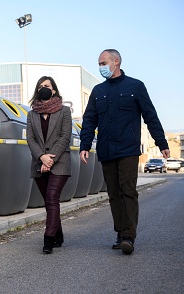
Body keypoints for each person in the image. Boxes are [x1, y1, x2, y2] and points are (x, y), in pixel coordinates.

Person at [79, 49, 169, 255]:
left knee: (128, 190)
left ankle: (129, 236)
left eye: (103, 63)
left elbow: (150, 115)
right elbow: (89, 120)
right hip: (106, 150)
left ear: (116, 61)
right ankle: (120, 233)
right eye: (99, 64)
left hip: (128, 149)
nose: (101, 67)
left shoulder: (135, 86)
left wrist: (162, 142)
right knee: (113, 194)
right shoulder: (98, 91)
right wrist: (85, 145)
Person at [27, 76, 72, 254]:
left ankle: (48, 237)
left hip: (59, 162)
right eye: (40, 86)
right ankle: (58, 233)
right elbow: (30, 138)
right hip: (39, 162)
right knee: (49, 201)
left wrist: (50, 159)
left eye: (46, 86)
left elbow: (65, 136)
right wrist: (42, 157)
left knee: (52, 197)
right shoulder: (32, 114)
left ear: (54, 90)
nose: (43, 88)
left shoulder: (64, 111)